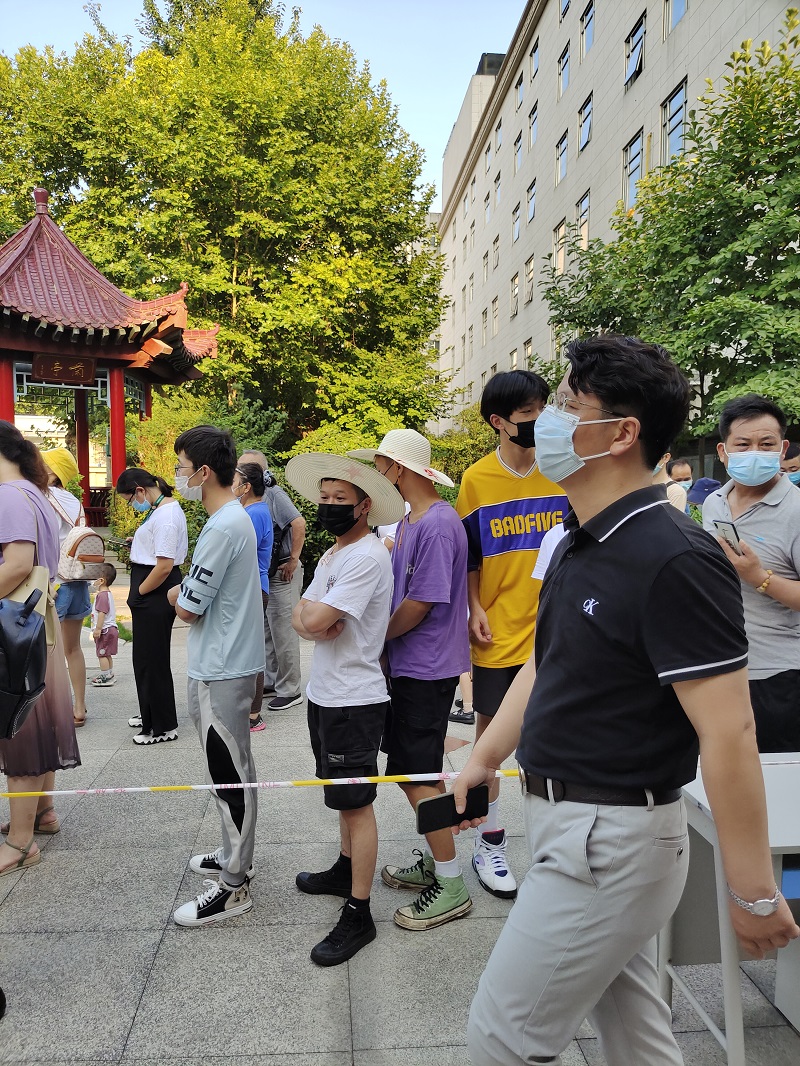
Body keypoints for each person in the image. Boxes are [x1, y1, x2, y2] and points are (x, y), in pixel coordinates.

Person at [452, 336, 800, 1066]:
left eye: (568, 406)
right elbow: (547, 662)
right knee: (636, 1039)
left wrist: (753, 891)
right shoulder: (579, 537)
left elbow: (730, 732)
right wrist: (484, 756)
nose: (547, 422)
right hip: (568, 822)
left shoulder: (674, 556)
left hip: (608, 840)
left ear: (620, 433)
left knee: (501, 1036)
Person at [350, 429, 472, 929]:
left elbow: (421, 602)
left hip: (426, 666)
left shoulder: (438, 524)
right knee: (420, 770)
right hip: (412, 664)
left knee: (416, 776)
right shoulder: (411, 520)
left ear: (398, 469)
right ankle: (438, 862)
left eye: (381, 465)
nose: (378, 474)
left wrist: (376, 638)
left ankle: (451, 882)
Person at [454, 369, 567, 900]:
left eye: (543, 409)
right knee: (489, 744)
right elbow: (470, 557)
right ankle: (490, 842)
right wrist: (474, 606)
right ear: (499, 422)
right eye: (528, 413)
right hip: (497, 633)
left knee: (557, 738)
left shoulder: (563, 470)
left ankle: (559, 846)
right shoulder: (476, 480)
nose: (539, 420)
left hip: (557, 629)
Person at [288, 453, 403, 965]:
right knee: (341, 797)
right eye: (325, 497)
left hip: (355, 699)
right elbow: (304, 615)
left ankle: (360, 912)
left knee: (357, 804)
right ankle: (344, 868)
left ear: (365, 506)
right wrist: (310, 618)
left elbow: (317, 619)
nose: (330, 505)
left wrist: (313, 618)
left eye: (341, 499)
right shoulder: (334, 553)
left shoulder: (366, 557)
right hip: (326, 693)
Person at [167, 426, 265, 926]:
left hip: (222, 668)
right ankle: (234, 854)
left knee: (230, 774)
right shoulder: (230, 519)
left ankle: (233, 885)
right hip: (222, 663)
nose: (177, 475)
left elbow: (187, 606)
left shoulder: (223, 526)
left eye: (181, 466)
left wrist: (175, 593)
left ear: (204, 472)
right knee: (230, 770)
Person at [0, 422, 80, 874]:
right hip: (35, 624)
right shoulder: (35, 493)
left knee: (19, 732)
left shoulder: (9, 495)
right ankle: (43, 812)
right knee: (37, 717)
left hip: (13, 626)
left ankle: (19, 841)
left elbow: (16, 564)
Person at [702, 395, 800, 753]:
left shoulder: (795, 510)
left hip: (777, 676)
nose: (754, 452)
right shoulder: (713, 502)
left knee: (776, 779)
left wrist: (759, 576)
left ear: (782, 449)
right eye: (743, 444)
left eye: (766, 444)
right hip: (719, 670)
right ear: (723, 451)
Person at [115, 468, 188, 744]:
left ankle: (162, 727)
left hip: (154, 589)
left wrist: (140, 593)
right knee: (145, 658)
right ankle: (150, 711)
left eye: (129, 500)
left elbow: (164, 566)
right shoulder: (161, 510)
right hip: (150, 586)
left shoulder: (166, 516)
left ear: (140, 490)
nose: (132, 505)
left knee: (152, 660)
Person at [240, 449, 307, 712]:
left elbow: (298, 523)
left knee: (283, 633)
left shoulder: (274, 494)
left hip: (282, 572)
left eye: (246, 467)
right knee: (267, 633)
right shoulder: (249, 499)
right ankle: (271, 681)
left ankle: (291, 689)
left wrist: (293, 560)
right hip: (267, 573)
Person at [41, 448, 90, 727]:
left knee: (50, 652)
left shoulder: (42, 497)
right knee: (73, 648)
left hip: (55, 583)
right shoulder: (74, 501)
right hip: (78, 580)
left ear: (52, 470)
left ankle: (56, 711)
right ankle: (79, 707)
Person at [232, 461, 273, 731]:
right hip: (252, 588)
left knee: (250, 652)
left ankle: (253, 714)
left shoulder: (255, 513)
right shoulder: (251, 510)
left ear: (246, 487)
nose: (230, 484)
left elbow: (242, 553)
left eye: (234, 480)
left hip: (253, 589)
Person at [90, 563, 119, 688]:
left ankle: (105, 676)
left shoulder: (101, 596)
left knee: (101, 654)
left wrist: (98, 628)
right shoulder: (107, 594)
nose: (92, 580)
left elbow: (102, 613)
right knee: (107, 654)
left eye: (94, 577)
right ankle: (109, 673)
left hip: (105, 630)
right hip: (110, 629)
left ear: (101, 580)